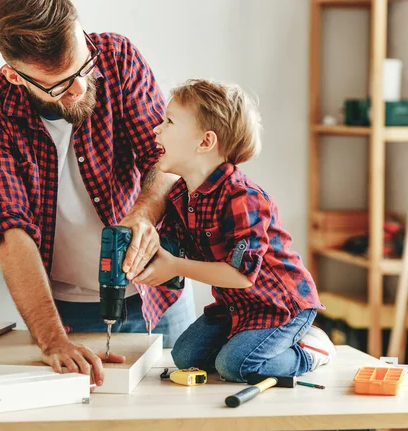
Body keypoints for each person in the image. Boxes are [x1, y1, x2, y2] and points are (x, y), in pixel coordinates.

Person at [0, 0, 195, 387]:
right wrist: (52, 339)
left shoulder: (117, 58)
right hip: (65, 310)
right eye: (59, 84)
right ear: (15, 76)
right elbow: (9, 230)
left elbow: (167, 159)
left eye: (84, 66)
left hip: (158, 290)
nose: (82, 87)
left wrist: (143, 212)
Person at [133, 79, 336, 382]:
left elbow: (240, 276)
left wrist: (174, 266)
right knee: (184, 356)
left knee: (235, 366)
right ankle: (250, 344)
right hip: (236, 307)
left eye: (169, 121)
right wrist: (142, 259)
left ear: (204, 142)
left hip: (282, 306)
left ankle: (310, 349)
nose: (156, 129)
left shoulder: (243, 198)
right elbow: (171, 251)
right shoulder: (178, 198)